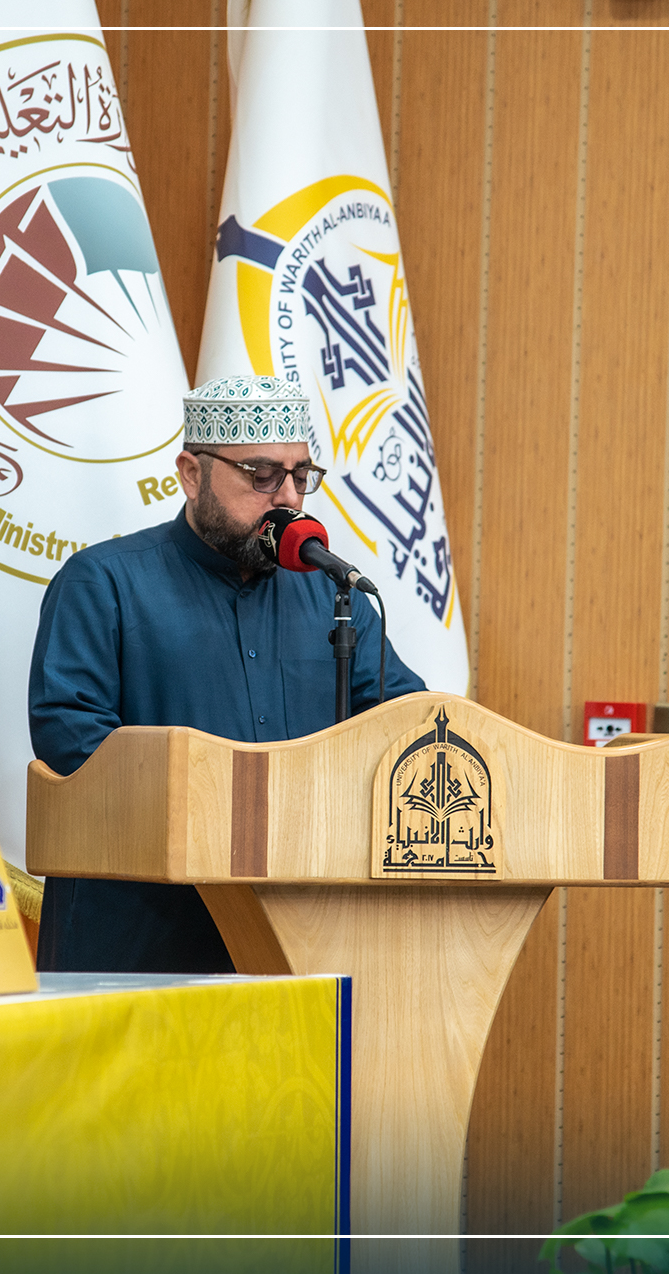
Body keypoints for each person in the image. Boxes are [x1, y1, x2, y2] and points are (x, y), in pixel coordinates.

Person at [28, 376, 426, 973]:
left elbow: (405, 724)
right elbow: (71, 738)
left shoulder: (333, 596)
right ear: (192, 474)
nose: (287, 498)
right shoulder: (103, 583)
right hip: (142, 942)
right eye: (261, 475)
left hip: (297, 938)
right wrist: (220, 811)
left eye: (300, 476)